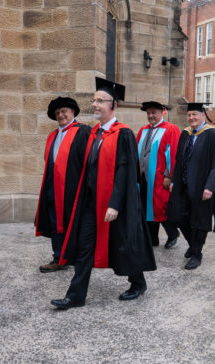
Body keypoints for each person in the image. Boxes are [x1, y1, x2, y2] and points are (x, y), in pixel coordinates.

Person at [51, 78, 156, 310]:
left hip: (115, 203)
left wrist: (114, 204)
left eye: (100, 100)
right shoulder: (94, 133)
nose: (95, 104)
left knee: (123, 242)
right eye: (94, 100)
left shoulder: (123, 134)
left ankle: (138, 283)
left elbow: (125, 171)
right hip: (91, 202)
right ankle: (75, 296)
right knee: (85, 246)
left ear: (113, 105)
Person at [166, 103, 215, 270]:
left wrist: (210, 186)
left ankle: (196, 254)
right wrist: (173, 181)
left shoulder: (213, 135)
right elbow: (178, 160)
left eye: (195, 114)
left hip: (202, 187)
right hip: (183, 185)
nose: (191, 118)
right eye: (189, 115)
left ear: (203, 115)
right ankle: (193, 244)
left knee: (200, 221)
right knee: (179, 217)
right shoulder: (185, 133)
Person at [35, 97, 90, 272]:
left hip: (74, 190)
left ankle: (80, 258)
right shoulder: (52, 136)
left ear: (72, 112)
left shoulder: (83, 132)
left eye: (64, 111)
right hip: (53, 189)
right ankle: (59, 258)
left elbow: (89, 162)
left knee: (77, 224)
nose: (61, 115)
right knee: (55, 224)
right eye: (58, 113)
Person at [137, 100, 180, 248]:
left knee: (161, 207)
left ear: (162, 112)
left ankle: (173, 234)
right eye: (148, 113)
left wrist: (169, 175)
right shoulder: (143, 130)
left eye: (154, 112)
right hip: (143, 177)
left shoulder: (171, 129)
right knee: (147, 207)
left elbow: (173, 153)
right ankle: (152, 239)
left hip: (160, 177)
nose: (151, 115)